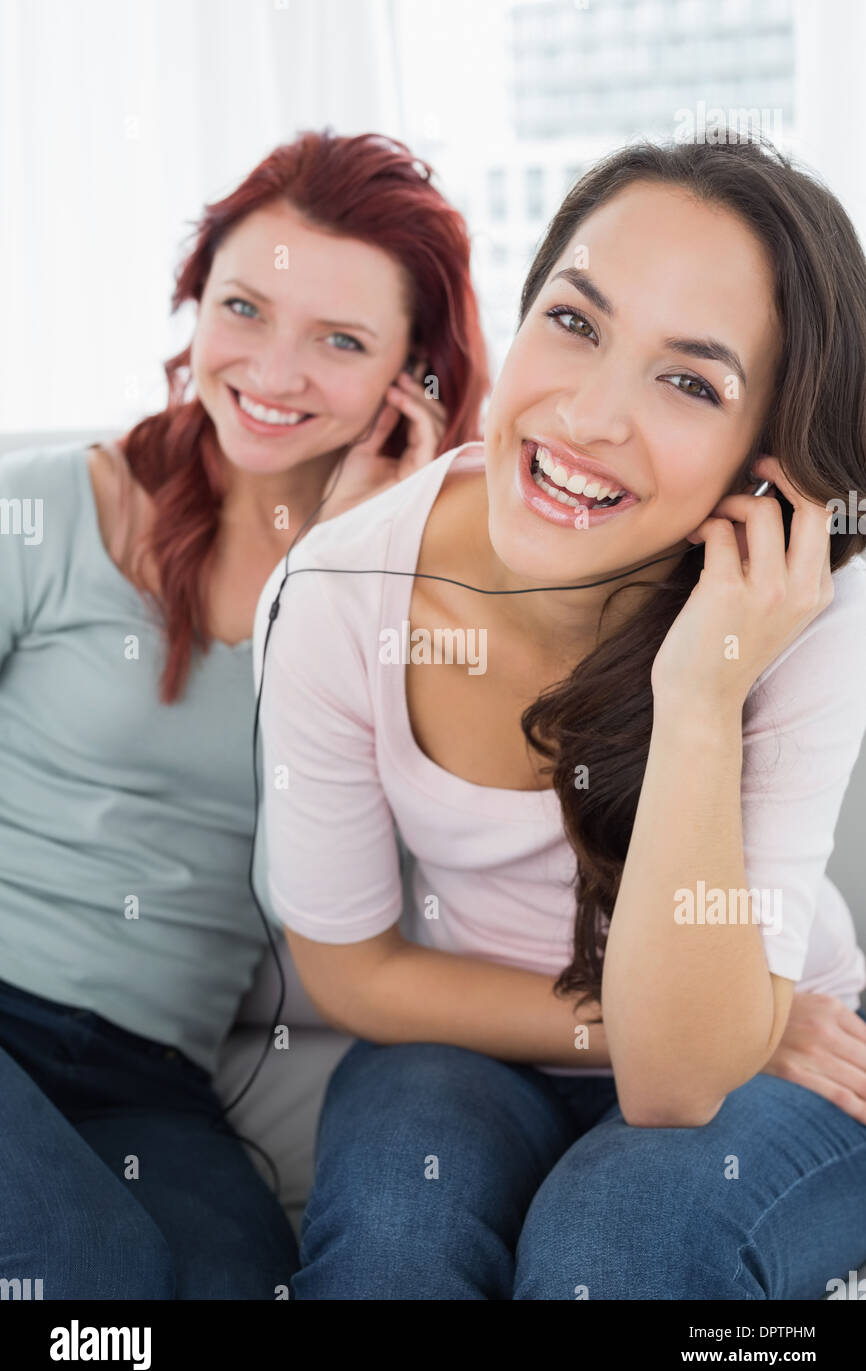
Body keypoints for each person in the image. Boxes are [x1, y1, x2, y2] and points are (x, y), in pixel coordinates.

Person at [255, 131, 866, 1300]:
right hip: (479, 1030)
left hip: (772, 1037)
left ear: (764, 463)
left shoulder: (804, 600)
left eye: (690, 381)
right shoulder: (338, 594)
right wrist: (650, 1025)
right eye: (575, 322)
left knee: (614, 1249)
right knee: (393, 1241)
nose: (586, 416)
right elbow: (349, 970)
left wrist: (699, 694)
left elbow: (678, 1082)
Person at [0, 129, 488, 1299]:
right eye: (244, 308)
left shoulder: (411, 598)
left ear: (409, 380)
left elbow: (317, 894)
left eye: (340, 340)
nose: (273, 372)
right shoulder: (49, 511)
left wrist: (333, 578)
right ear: (194, 299)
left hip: (143, 1075)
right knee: (88, 1277)